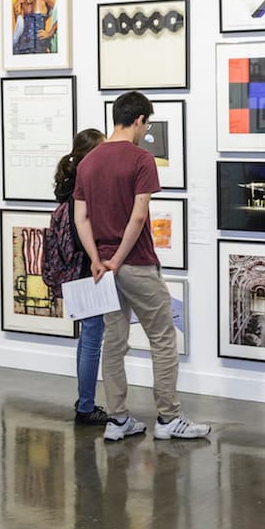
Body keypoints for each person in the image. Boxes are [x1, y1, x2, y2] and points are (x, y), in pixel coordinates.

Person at [73, 91, 210, 441]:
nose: (145, 130)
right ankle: (168, 418)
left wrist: (97, 260)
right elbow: (137, 217)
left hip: (104, 269)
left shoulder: (88, 162)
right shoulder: (141, 159)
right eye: (146, 124)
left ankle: (118, 420)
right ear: (138, 120)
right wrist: (119, 259)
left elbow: (81, 218)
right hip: (135, 264)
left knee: (113, 343)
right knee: (163, 338)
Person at [55, 128, 111, 426]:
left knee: (87, 337)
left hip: (75, 269)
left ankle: (84, 399)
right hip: (86, 269)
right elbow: (82, 233)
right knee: (92, 338)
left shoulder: (68, 185)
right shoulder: (84, 187)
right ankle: (86, 406)